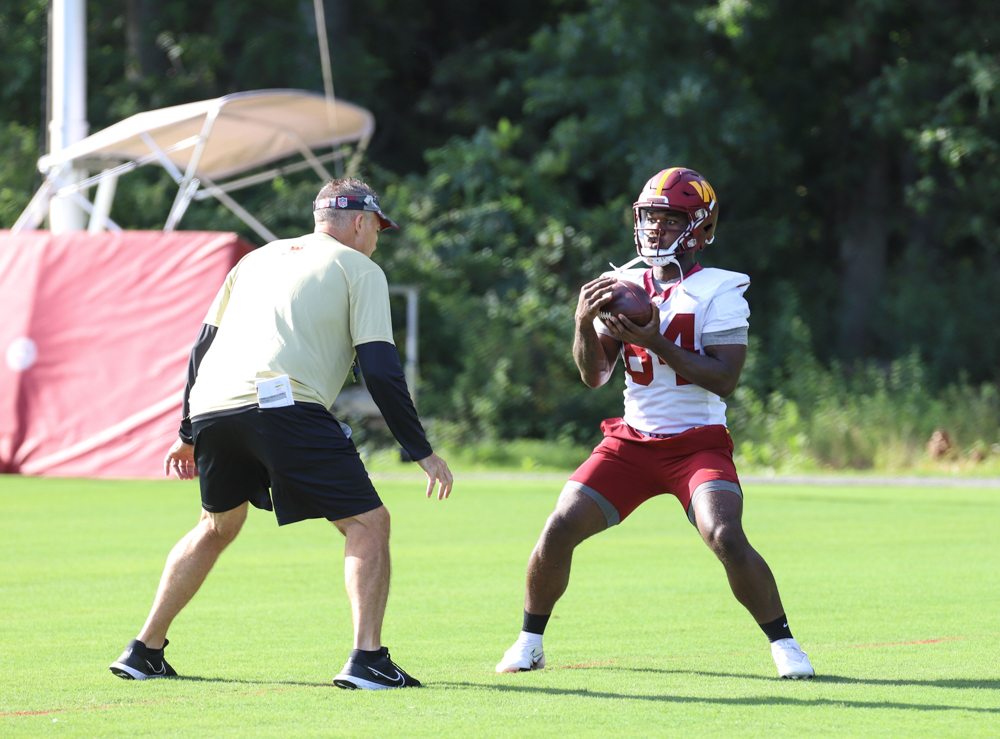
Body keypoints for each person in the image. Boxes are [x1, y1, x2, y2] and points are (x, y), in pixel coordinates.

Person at [110, 177, 453, 690]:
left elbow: (201, 349)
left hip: (212, 405)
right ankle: (368, 660)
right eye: (377, 228)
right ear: (359, 222)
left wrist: (187, 429)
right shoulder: (361, 268)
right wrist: (420, 450)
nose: (377, 238)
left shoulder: (255, 260)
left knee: (216, 526)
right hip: (281, 405)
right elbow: (379, 370)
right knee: (368, 523)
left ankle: (144, 650)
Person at [495, 167, 814, 679]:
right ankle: (530, 641)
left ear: (701, 229)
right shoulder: (622, 284)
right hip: (631, 442)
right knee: (558, 527)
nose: (655, 230)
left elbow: (725, 379)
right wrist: (582, 322)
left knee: (726, 535)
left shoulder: (721, 291)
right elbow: (594, 376)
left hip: (696, 444)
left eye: (669, 220)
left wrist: (657, 342)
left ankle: (785, 645)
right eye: (650, 218)